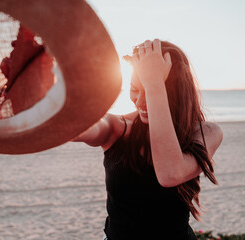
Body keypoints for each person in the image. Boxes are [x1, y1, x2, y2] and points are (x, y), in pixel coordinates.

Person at [73, 39, 223, 239]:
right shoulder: (117, 127)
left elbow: (170, 174)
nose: (140, 102)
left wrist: (154, 83)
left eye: (152, 90)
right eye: (135, 89)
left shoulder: (206, 132)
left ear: (178, 92)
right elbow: (74, 129)